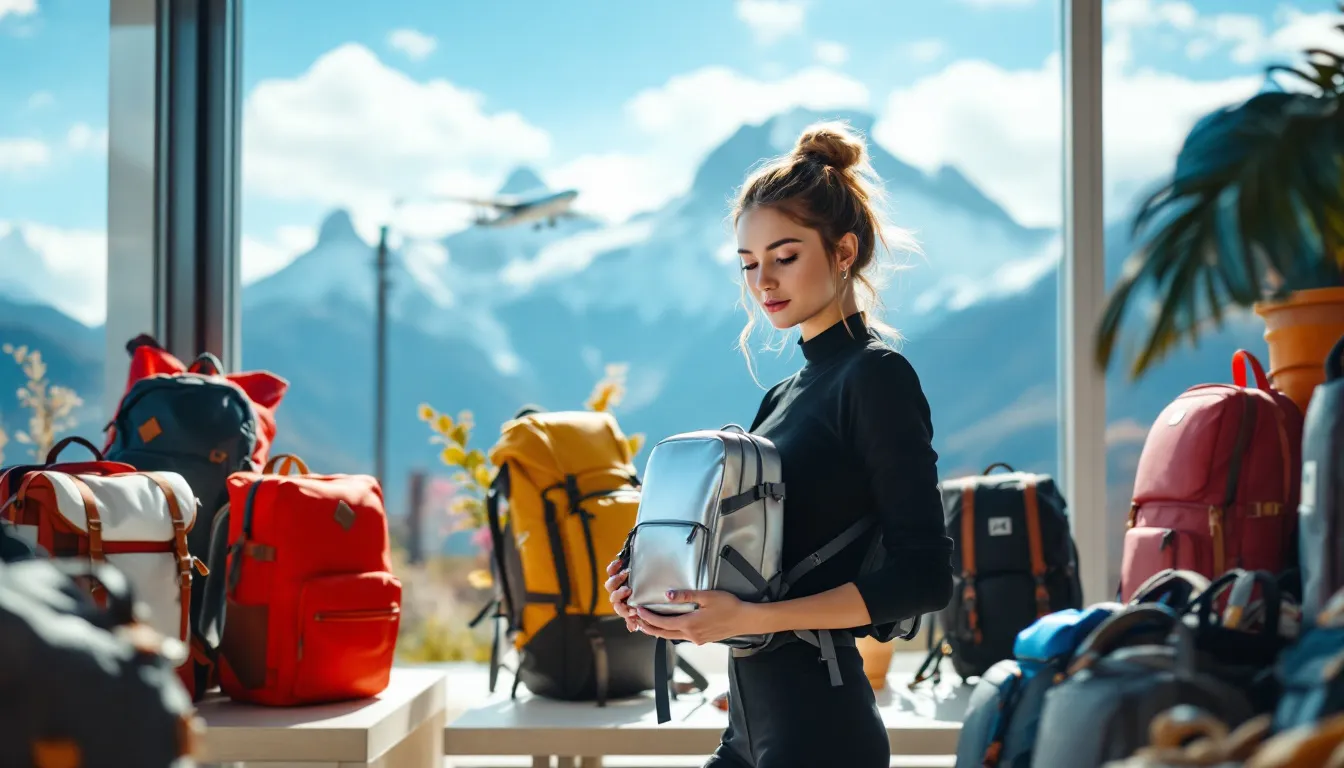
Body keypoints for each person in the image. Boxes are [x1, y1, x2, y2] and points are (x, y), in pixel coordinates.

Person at [602, 120, 955, 767]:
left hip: (821, 730)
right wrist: (650, 581)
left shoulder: (877, 378)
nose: (764, 280)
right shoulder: (784, 394)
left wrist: (745, 621)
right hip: (749, 725)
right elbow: (764, 556)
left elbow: (926, 577)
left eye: (784, 256)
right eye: (749, 264)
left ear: (844, 251)